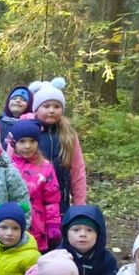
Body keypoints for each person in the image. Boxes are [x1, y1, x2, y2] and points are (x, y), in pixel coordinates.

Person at [28, 78, 86, 213]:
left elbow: (77, 170)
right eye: (46, 106)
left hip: (61, 205)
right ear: (36, 109)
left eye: (56, 106)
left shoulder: (69, 134)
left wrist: (79, 204)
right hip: (32, 205)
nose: (52, 110)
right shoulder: (26, 132)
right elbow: (11, 164)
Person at [8, 119, 62, 252]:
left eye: (32, 141)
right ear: (14, 143)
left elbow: (52, 199)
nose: (28, 146)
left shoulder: (45, 167)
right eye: (22, 141)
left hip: (37, 222)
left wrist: (53, 223)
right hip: (11, 220)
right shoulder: (7, 166)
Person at [59, 205, 117, 275]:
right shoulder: (57, 258)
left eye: (89, 230)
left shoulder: (107, 260)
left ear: (99, 234)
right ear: (66, 233)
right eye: (76, 230)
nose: (83, 234)